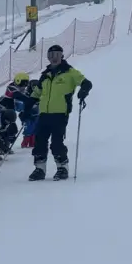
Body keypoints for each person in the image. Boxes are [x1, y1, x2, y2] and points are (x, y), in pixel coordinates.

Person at [28, 46, 91, 180]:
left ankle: (62, 168)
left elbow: (86, 83)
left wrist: (83, 90)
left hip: (60, 114)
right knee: (39, 141)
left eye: (57, 54)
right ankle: (39, 169)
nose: (54, 58)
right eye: (51, 55)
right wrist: (29, 103)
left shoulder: (70, 72)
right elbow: (37, 92)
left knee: (56, 142)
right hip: (44, 114)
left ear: (62, 56)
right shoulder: (45, 75)